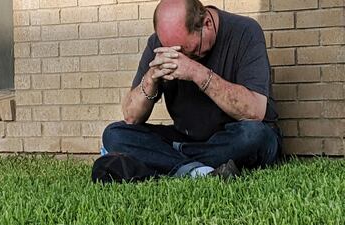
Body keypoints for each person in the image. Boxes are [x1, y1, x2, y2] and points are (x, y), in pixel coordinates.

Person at [92, 0, 282, 183]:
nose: (180, 57)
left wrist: (195, 72)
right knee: (115, 134)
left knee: (254, 135)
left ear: (207, 23)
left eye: (187, 51)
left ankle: (167, 162)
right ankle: (200, 171)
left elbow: (255, 111)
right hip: (186, 138)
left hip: (235, 137)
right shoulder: (159, 44)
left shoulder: (245, 31)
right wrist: (151, 78)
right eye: (175, 51)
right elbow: (131, 117)